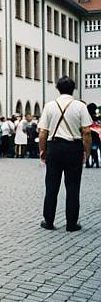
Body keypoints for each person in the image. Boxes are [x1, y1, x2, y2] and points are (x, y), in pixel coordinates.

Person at [38, 76, 92, 232]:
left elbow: (42, 132)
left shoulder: (49, 106)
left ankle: (48, 221)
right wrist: (86, 152)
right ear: (73, 89)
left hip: (54, 147)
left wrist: (43, 150)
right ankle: (71, 223)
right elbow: (87, 132)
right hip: (73, 147)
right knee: (73, 186)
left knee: (51, 186)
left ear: (57, 88)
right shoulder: (80, 106)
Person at [86, 103, 100, 169]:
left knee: (88, 149)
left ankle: (88, 162)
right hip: (95, 135)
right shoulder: (96, 117)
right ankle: (96, 162)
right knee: (94, 149)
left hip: (89, 134)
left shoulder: (86, 116)